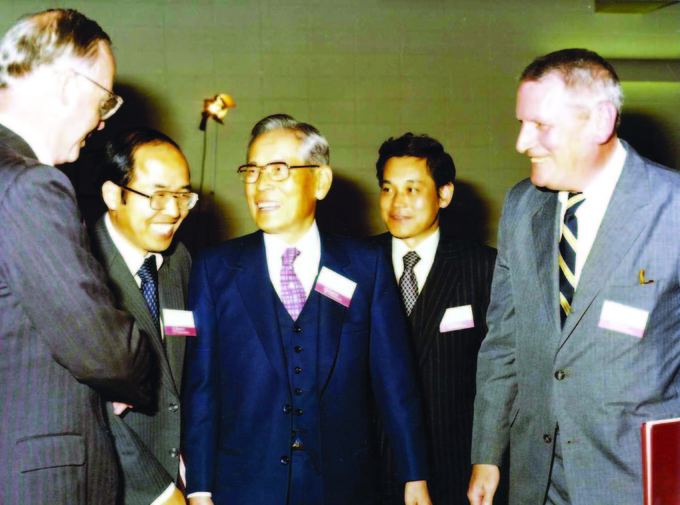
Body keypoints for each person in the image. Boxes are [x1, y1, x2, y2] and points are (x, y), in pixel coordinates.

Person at [182, 114, 431, 505]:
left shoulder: (365, 265)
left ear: (320, 181)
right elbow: (201, 389)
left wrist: (414, 476)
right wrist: (199, 489)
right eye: (252, 171)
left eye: (278, 170)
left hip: (344, 485)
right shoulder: (215, 269)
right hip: (244, 486)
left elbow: (395, 381)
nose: (261, 184)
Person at [468, 48, 680, 505]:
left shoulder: (672, 208)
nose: (522, 142)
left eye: (540, 125)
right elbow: (503, 342)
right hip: (537, 480)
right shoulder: (522, 206)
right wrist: (487, 452)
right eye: (522, 124)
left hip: (636, 483)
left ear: (600, 121)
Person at [0, 9, 152, 505]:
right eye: (103, 99)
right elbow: (104, 349)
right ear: (69, 85)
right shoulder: (30, 185)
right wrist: (132, 372)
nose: (103, 120)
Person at [372, 133, 496, 505]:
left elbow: (500, 373)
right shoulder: (355, 264)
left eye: (412, 189)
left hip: (452, 470)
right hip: (367, 470)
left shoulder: (483, 268)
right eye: (388, 189)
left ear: (444, 194)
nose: (397, 203)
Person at [91, 128, 197, 505]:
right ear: (112, 195)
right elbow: (86, 406)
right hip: (117, 485)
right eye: (158, 195)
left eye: (182, 195)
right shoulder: (80, 264)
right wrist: (158, 492)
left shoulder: (178, 260)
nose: (174, 211)